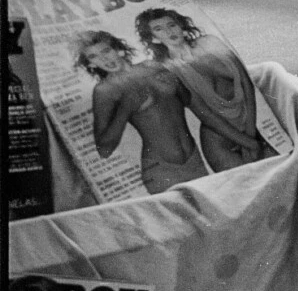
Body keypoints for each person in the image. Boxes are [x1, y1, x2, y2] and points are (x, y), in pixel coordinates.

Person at [75, 30, 219, 194]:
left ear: (118, 49)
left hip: (194, 159)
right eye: (93, 57)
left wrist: (177, 83)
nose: (104, 59)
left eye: (106, 51)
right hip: (160, 169)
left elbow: (187, 100)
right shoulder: (105, 90)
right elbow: (104, 149)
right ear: (91, 64)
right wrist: (125, 109)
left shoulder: (152, 67)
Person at [135, 8, 270, 171]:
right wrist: (248, 142)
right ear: (153, 38)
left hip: (251, 129)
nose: (169, 31)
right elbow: (204, 113)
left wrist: (251, 136)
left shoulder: (209, 42)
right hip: (220, 139)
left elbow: (246, 83)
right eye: (159, 29)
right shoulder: (167, 68)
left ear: (181, 26)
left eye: (172, 25)